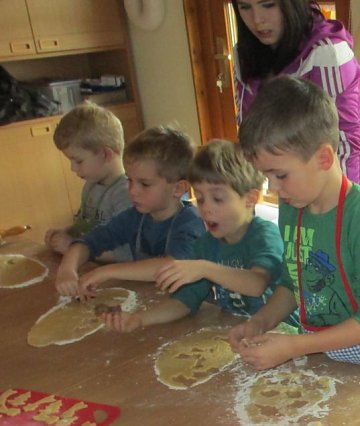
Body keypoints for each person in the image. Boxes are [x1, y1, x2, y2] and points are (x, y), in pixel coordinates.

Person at [228, 75, 360, 375]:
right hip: (321, 350)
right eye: (266, 176)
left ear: (324, 158)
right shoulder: (293, 208)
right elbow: (292, 283)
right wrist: (259, 322)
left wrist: (292, 347)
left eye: (281, 175)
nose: (273, 189)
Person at [79, 139, 284, 331]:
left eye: (218, 199)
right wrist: (139, 319)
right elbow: (184, 302)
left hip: (279, 332)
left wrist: (204, 268)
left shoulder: (264, 235)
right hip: (237, 330)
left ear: (250, 199)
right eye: (201, 199)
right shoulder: (206, 244)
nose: (206, 209)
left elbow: (257, 284)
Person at [231, 0, 360, 205]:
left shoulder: (327, 51)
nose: (257, 20)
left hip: (353, 187)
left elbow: (343, 145)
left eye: (268, 5)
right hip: (295, 185)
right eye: (245, 7)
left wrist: (341, 211)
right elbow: (249, 131)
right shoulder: (245, 53)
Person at [55, 125, 204, 297]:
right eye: (130, 180)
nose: (132, 190)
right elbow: (90, 242)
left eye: (144, 184)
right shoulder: (134, 217)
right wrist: (67, 269)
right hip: (149, 299)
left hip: (191, 309)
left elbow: (172, 266)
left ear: (178, 188)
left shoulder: (190, 222)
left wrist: (108, 272)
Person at [45, 101, 132, 260]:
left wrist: (73, 247)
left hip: (115, 275)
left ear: (106, 154)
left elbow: (127, 254)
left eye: (78, 161)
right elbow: (88, 226)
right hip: (89, 267)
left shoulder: (125, 195)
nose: (72, 168)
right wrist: (67, 232)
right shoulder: (91, 185)